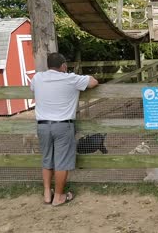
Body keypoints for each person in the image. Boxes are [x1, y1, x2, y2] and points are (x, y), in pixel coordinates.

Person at [30, 53, 98, 206]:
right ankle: (59, 196)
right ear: (63, 66)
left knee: (47, 158)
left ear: (48, 65)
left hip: (42, 125)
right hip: (62, 125)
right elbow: (93, 82)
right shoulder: (70, 78)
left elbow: (33, 88)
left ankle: (47, 194)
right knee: (62, 162)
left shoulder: (38, 77)